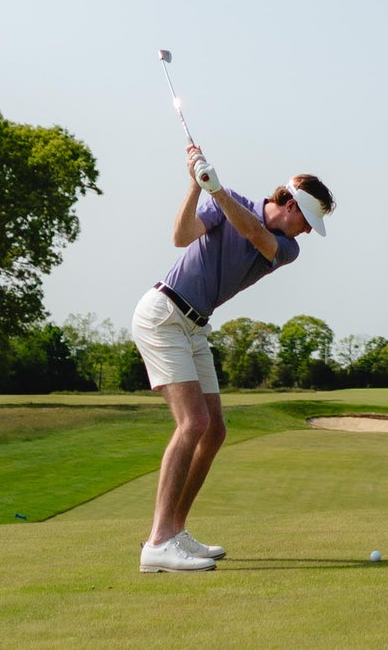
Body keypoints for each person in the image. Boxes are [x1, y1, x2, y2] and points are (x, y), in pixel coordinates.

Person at [133, 145, 334, 573]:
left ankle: (176, 530)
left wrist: (217, 191)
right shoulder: (229, 202)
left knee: (215, 430)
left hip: (196, 326)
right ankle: (157, 543)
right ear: (290, 205)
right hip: (164, 314)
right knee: (194, 424)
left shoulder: (284, 247)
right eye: (306, 222)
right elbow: (181, 237)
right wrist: (194, 187)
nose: (304, 233)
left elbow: (254, 235)